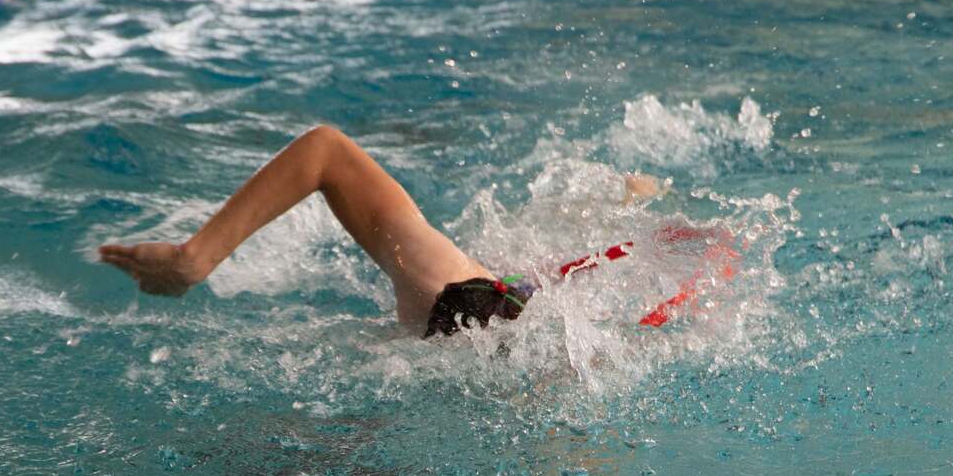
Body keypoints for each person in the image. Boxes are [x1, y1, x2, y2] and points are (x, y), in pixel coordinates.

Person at [99, 124, 724, 337]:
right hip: (487, 306)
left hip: (492, 308)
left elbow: (325, 150)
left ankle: (193, 261)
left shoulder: (494, 300)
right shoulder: (454, 286)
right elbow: (324, 149)